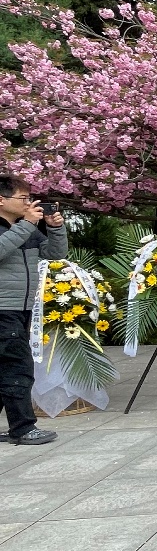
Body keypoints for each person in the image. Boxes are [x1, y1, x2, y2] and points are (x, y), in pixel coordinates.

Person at [0, 176, 66, 445]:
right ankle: (23, 428)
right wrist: (27, 224)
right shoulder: (21, 227)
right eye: (23, 198)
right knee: (17, 368)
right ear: (1, 200)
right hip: (4, 308)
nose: (29, 203)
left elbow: (55, 254)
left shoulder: (23, 227)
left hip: (21, 307)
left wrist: (55, 228)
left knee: (5, 368)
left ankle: (19, 426)